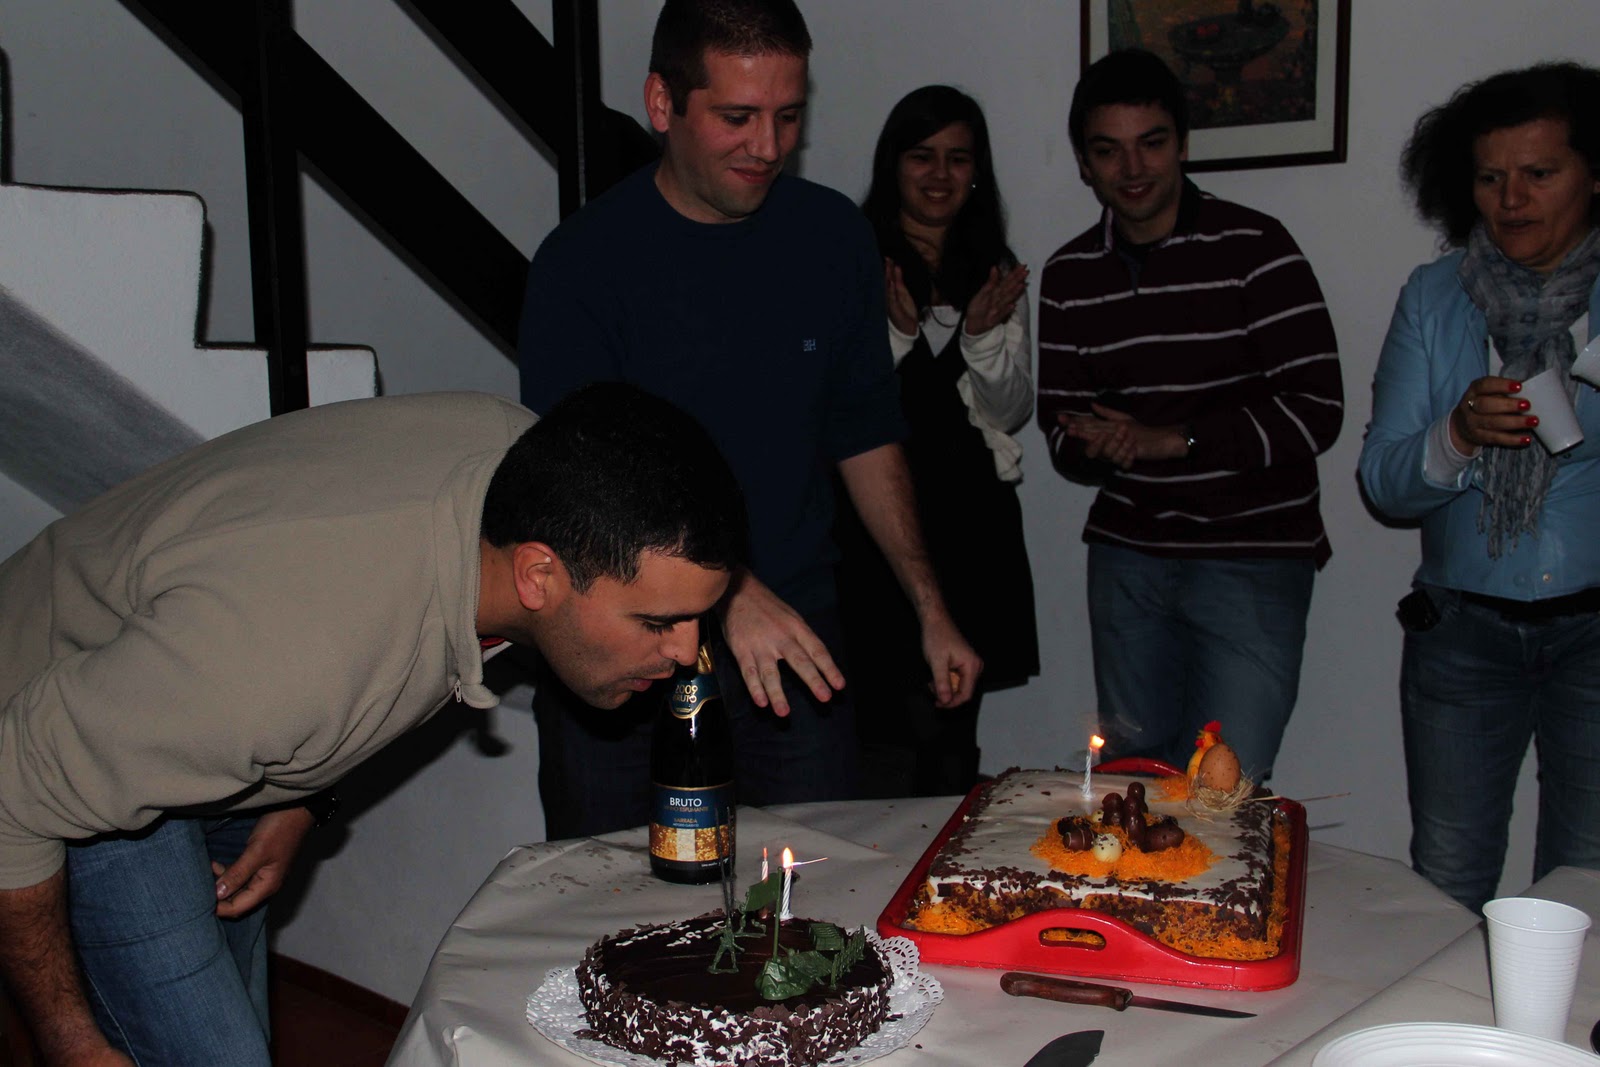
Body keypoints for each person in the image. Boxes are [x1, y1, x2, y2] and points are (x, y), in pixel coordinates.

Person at [0, 384, 745, 1065]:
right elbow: (16, 791)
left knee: (234, 1014)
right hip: (62, 744)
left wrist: (307, 798)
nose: (687, 653)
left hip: (204, 706)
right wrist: (67, 1041)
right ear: (537, 576)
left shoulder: (528, 471)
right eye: (659, 622)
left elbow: (392, 649)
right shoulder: (279, 670)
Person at [518, 0, 981, 837]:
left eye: (788, 116)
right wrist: (728, 589)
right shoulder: (581, 264)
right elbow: (583, 484)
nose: (768, 146)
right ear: (663, 104)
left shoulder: (833, 238)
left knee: (814, 886)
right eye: (737, 117)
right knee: (610, 891)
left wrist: (931, 606)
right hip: (618, 651)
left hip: (793, 637)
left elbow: (865, 433)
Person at [1036, 49, 1342, 782]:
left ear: (1182, 144)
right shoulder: (1069, 273)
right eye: (1108, 150)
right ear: (1084, 163)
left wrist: (1176, 439)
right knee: (1134, 785)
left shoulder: (1257, 247)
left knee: (1224, 791)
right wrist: (1099, 445)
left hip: (1253, 555)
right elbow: (1060, 428)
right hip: (1129, 558)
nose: (1132, 168)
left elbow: (1317, 410)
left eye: (1151, 143)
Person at [1358, 62, 1600, 914]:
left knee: (1583, 889)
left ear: (1595, 174)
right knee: (1446, 882)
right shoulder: (1435, 296)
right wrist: (1456, 434)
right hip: (1461, 631)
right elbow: (1384, 482)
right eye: (1491, 177)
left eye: (1540, 172)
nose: (1512, 199)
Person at [839, 85, 1039, 796]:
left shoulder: (995, 268)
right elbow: (841, 400)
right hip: (876, 531)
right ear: (892, 164)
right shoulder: (855, 258)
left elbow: (1010, 411)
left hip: (972, 528)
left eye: (959, 158)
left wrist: (981, 338)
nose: (940, 174)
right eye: (922, 156)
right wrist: (896, 335)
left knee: (952, 739)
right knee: (881, 742)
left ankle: (946, 861)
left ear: (978, 171)